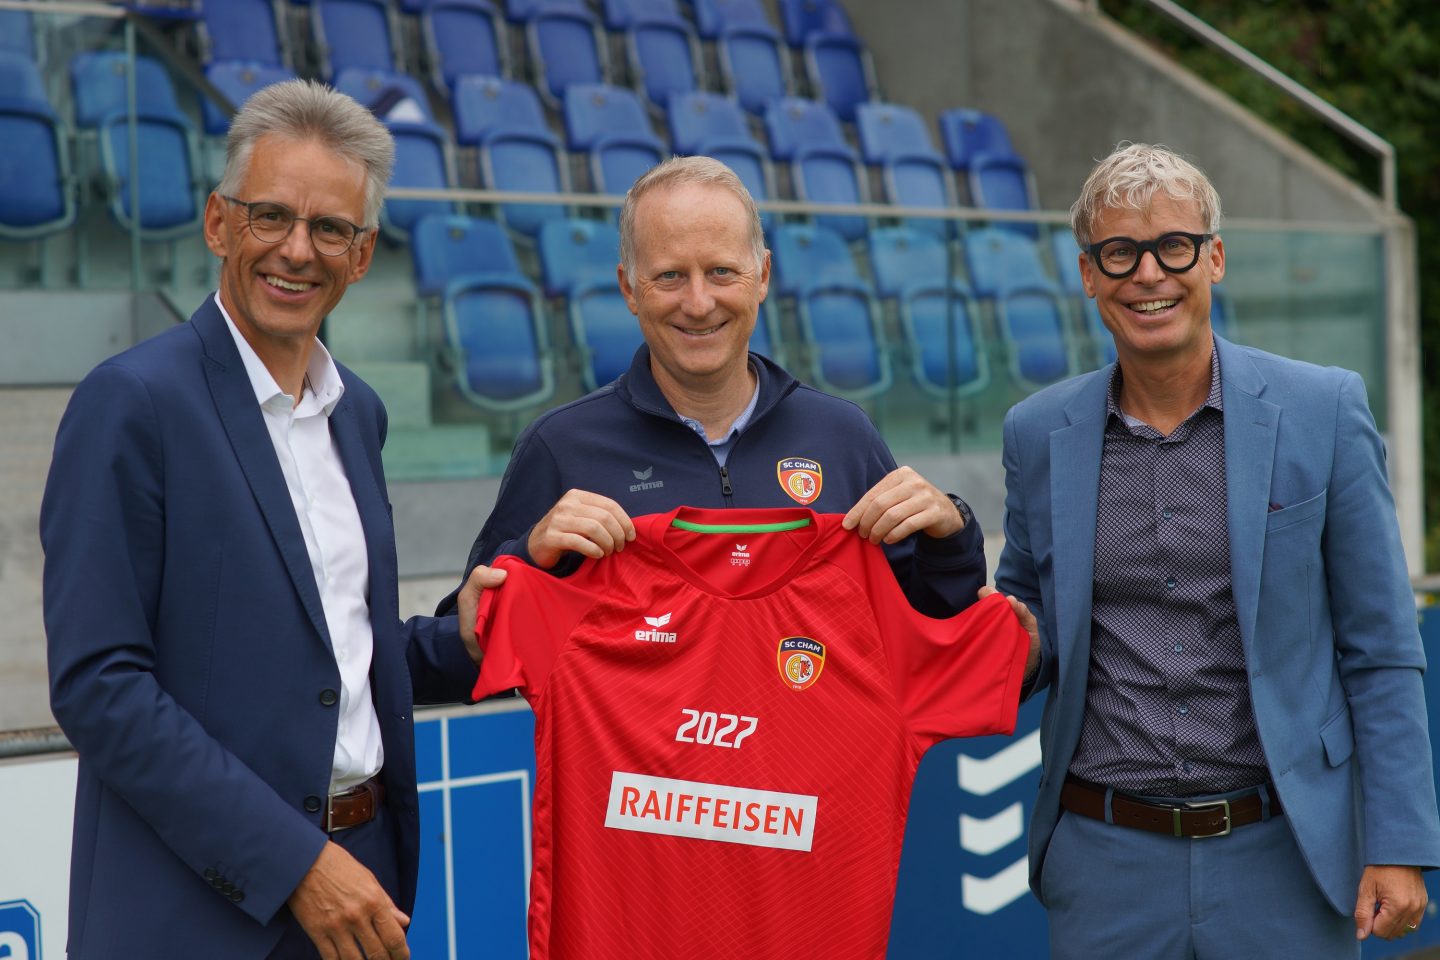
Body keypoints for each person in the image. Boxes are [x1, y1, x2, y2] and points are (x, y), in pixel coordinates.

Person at [41, 80, 496, 960]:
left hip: (365, 885)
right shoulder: (132, 402)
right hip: (202, 905)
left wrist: (464, 639)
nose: (298, 250)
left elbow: (332, 651)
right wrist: (295, 865)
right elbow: (102, 685)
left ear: (361, 255)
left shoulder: (356, 411)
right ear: (218, 223)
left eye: (330, 228)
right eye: (270, 217)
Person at [993, 142, 1440, 958]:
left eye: (1174, 247)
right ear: (1088, 274)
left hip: (1285, 854)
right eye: (1118, 253)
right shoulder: (1035, 433)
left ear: (1215, 257)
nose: (1149, 275)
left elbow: (1382, 646)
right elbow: (1026, 635)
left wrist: (1402, 841)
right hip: (1105, 861)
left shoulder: (1324, 410)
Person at [438, 155, 985, 622]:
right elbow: (468, 644)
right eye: (670, 276)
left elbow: (924, 624)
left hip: (816, 749)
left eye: (722, 272)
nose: (699, 304)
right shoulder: (561, 447)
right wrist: (529, 559)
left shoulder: (842, 435)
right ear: (629, 287)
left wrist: (951, 535)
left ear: (764, 276)